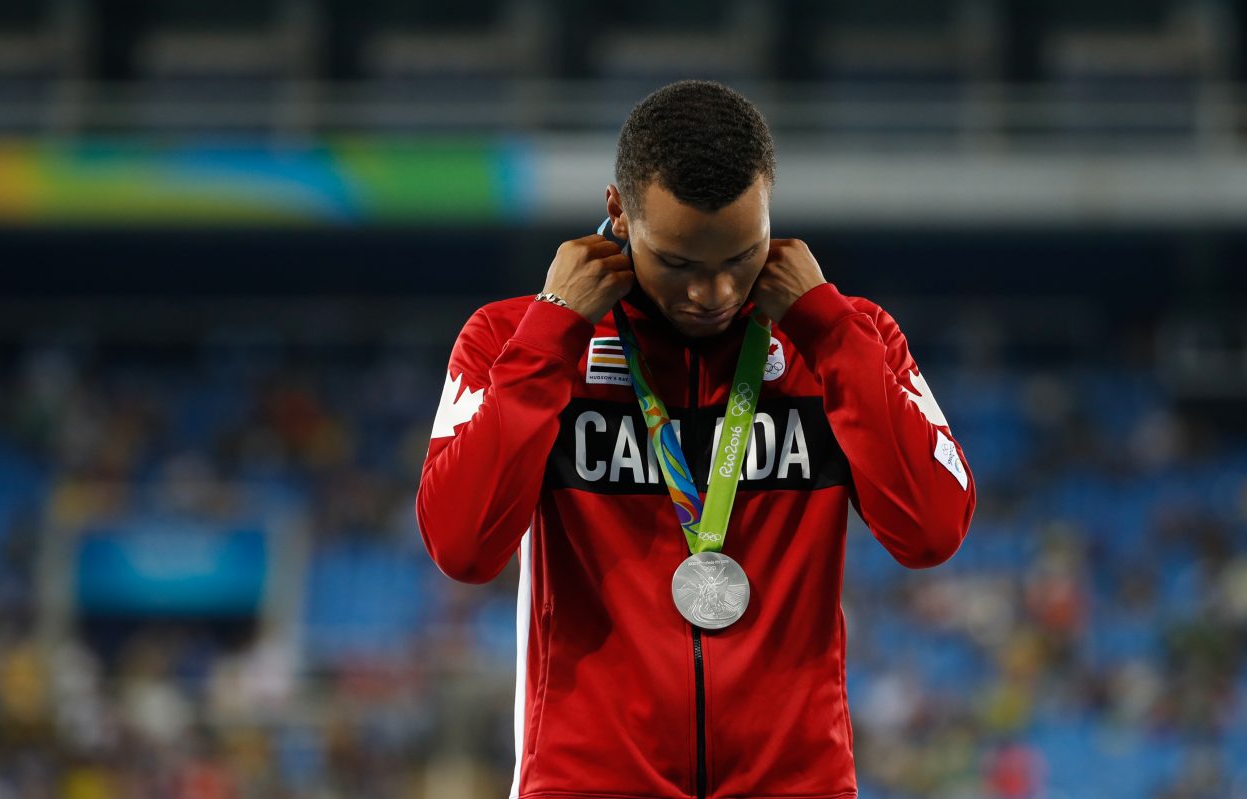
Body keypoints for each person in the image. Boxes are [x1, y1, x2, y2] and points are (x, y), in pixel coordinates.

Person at [417, 79, 976, 799]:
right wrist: (553, 332)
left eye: (742, 255)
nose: (712, 293)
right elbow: (462, 547)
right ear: (619, 212)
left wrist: (831, 332)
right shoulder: (510, 340)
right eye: (678, 262)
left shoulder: (849, 340)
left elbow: (931, 532)